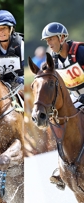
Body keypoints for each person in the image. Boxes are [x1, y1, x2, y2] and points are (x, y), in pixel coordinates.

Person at [41, 22, 84, 189]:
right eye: (47, 40)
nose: (49, 43)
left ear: (62, 37)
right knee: (61, 122)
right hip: (76, 97)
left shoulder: (80, 52)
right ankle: (63, 169)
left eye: (51, 39)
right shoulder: (55, 61)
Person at [0, 10, 24, 87]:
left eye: (4, 28)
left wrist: (24, 77)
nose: (1, 32)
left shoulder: (22, 46)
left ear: (11, 29)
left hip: (19, 86)